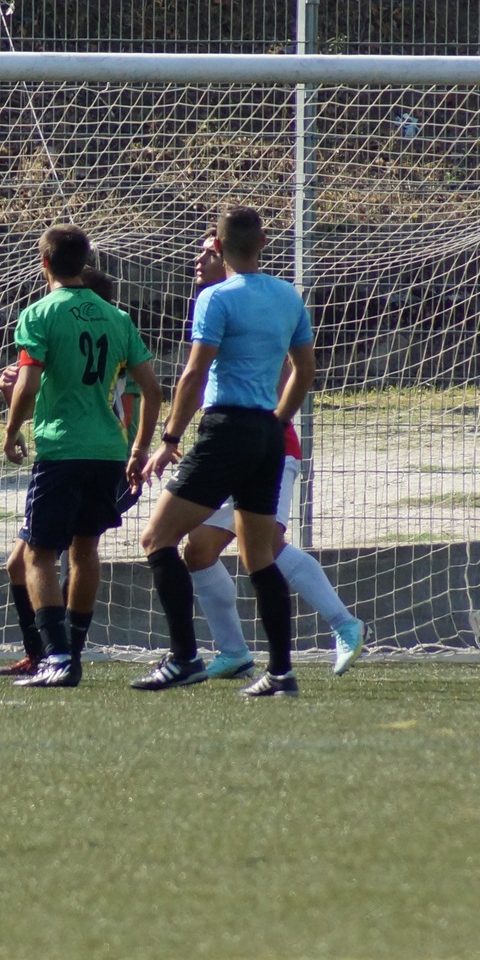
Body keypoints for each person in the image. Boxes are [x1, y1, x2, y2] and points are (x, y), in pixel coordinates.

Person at [135, 207, 314, 698]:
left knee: (157, 538)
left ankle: (183, 658)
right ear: (263, 242)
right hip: (267, 434)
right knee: (259, 556)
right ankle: (281, 673)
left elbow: (194, 374)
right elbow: (305, 369)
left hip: (226, 429)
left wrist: (170, 440)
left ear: (217, 245)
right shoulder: (288, 295)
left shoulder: (215, 297)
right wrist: (279, 420)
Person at [177, 233, 364, 682]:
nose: (199, 260)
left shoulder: (257, 308)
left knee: (264, 548)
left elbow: (283, 376)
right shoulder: (217, 306)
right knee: (199, 550)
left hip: (266, 448)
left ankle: (345, 625)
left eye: (209, 252)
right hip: (233, 448)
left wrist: (268, 426)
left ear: (228, 254)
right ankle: (234, 653)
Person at [3, 229, 164, 687]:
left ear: (44, 263)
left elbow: (29, 385)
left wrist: (11, 431)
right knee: (86, 550)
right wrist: (139, 447)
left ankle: (55, 658)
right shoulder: (117, 317)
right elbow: (153, 390)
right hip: (109, 452)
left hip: (62, 449)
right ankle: (71, 652)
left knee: (37, 555)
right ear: (85, 261)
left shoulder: (39, 313)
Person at [0, 267, 136, 678]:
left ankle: (59, 655)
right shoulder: (112, 334)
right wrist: (15, 392)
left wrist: (137, 452)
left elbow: (120, 408)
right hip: (102, 456)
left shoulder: (107, 345)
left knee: (51, 555)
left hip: (94, 460)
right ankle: (49, 654)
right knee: (26, 562)